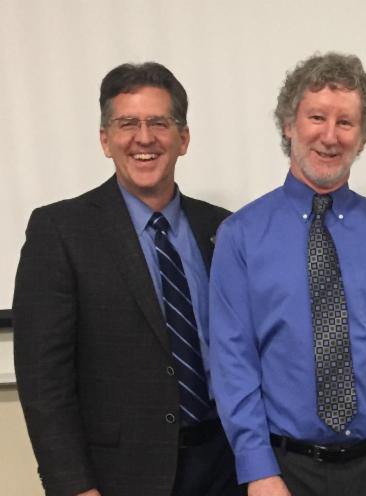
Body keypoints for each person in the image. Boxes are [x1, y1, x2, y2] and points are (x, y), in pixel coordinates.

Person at [13, 62, 241, 496]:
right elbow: (44, 382)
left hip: (225, 467)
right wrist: (73, 486)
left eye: (159, 122)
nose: (144, 138)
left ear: (184, 138)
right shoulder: (61, 231)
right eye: (127, 124)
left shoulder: (223, 229)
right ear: (105, 139)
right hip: (120, 477)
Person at [208, 52, 366, 496]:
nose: (330, 136)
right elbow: (233, 363)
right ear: (289, 125)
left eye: (345, 122)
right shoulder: (240, 236)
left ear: (362, 137)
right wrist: (258, 470)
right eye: (317, 117)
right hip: (286, 473)